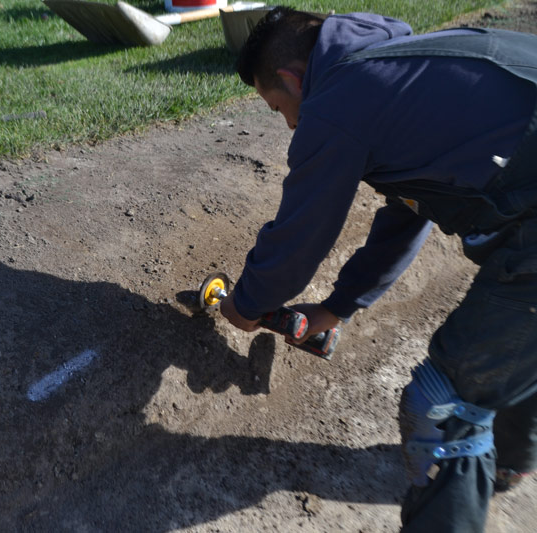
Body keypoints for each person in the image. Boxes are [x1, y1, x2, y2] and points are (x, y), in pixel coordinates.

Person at [219, 6, 537, 532]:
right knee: (514, 341)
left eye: (279, 107)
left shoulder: (338, 103)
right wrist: (336, 307)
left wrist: (247, 302)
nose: (291, 123)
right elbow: (410, 211)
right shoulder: (407, 72)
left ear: (294, 79)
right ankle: (509, 460)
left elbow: (301, 234)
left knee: (442, 407)